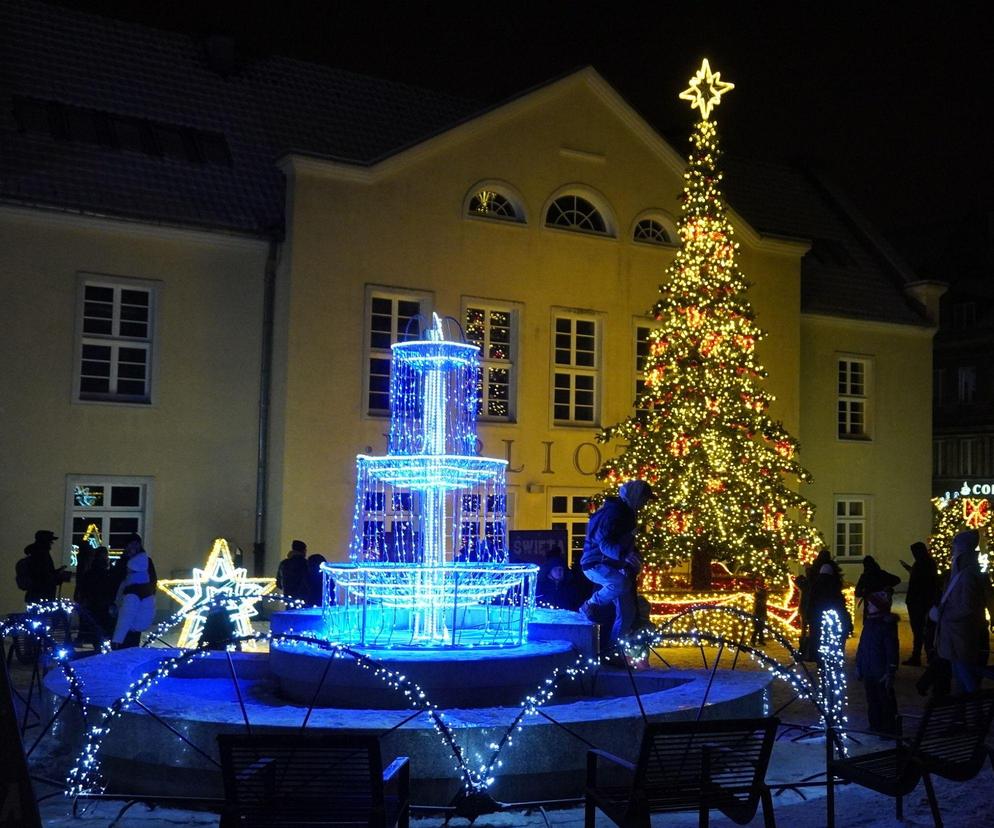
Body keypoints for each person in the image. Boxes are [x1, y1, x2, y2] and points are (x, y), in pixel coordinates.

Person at [579, 480, 654, 649]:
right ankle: (590, 605)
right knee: (621, 585)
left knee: (627, 613)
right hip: (598, 563)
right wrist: (625, 555)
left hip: (615, 566)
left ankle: (614, 651)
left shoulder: (624, 513)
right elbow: (604, 541)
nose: (645, 504)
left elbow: (622, 540)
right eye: (644, 499)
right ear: (635, 497)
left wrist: (631, 554)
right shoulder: (615, 514)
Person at [934, 529, 994, 695]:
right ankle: (965, 711)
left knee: (966, 676)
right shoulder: (965, 572)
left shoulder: (966, 575)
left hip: (960, 634)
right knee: (961, 675)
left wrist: (942, 615)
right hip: (957, 634)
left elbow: (966, 607)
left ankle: (973, 710)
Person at [855, 586, 900, 733]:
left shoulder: (886, 626)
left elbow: (892, 650)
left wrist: (890, 670)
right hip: (869, 670)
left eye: (871, 605)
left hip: (881, 672)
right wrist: (859, 664)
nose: (868, 607)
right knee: (872, 700)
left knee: (885, 700)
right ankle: (875, 724)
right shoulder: (868, 623)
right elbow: (862, 646)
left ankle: (889, 727)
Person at [112, 534, 157, 649]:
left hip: (138, 598)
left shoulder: (145, 561)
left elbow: (152, 579)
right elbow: (116, 579)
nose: (133, 546)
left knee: (130, 631)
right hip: (122, 600)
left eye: (136, 543)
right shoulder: (124, 561)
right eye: (131, 543)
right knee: (124, 626)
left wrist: (147, 594)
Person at [901, 540, 939, 666]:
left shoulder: (924, 564)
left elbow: (924, 583)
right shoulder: (926, 563)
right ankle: (923, 656)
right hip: (918, 601)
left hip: (919, 601)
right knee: (921, 630)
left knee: (921, 630)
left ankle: (923, 656)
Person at [808, 558, 853, 658]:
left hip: (818, 616)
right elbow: (840, 603)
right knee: (832, 641)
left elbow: (811, 601)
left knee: (819, 639)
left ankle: (820, 660)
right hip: (833, 616)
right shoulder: (834, 584)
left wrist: (809, 616)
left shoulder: (816, 584)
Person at [76, 546, 117, 643]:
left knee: (93, 626)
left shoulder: (90, 571)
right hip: (102, 603)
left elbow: (84, 587)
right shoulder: (106, 573)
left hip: (93, 603)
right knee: (101, 628)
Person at [17, 530, 69, 605]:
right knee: (42, 616)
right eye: (50, 541)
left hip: (35, 596)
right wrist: (57, 576)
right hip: (41, 596)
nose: (51, 544)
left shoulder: (36, 553)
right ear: (45, 542)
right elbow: (43, 577)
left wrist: (57, 573)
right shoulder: (41, 555)